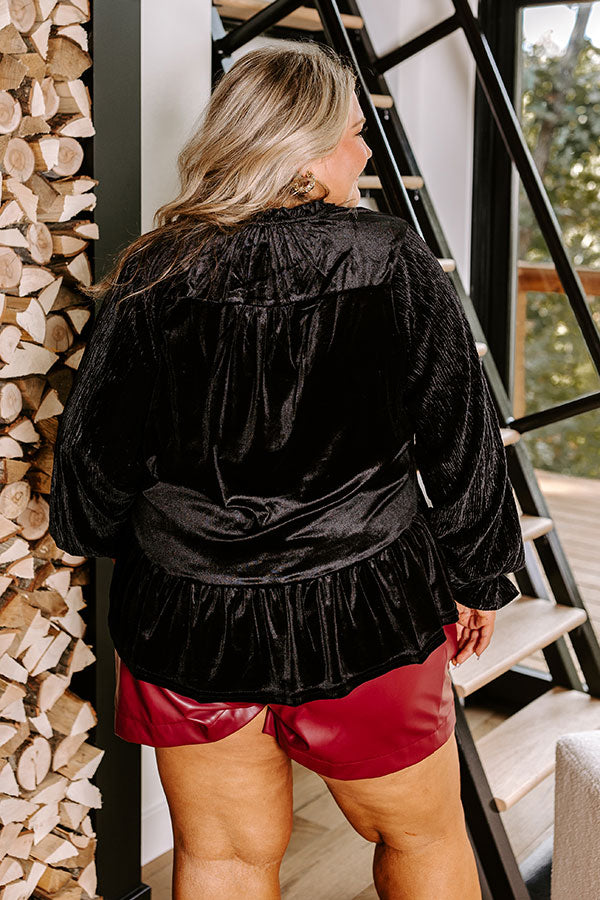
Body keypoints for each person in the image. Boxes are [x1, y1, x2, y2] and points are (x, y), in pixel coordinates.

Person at [48, 40, 525, 900]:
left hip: (189, 619)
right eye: (353, 133)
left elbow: (92, 473)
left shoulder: (155, 270)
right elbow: (462, 436)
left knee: (223, 856)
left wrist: (167, 548)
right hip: (369, 608)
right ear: (303, 151)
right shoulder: (390, 257)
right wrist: (479, 573)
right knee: (421, 838)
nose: (366, 151)